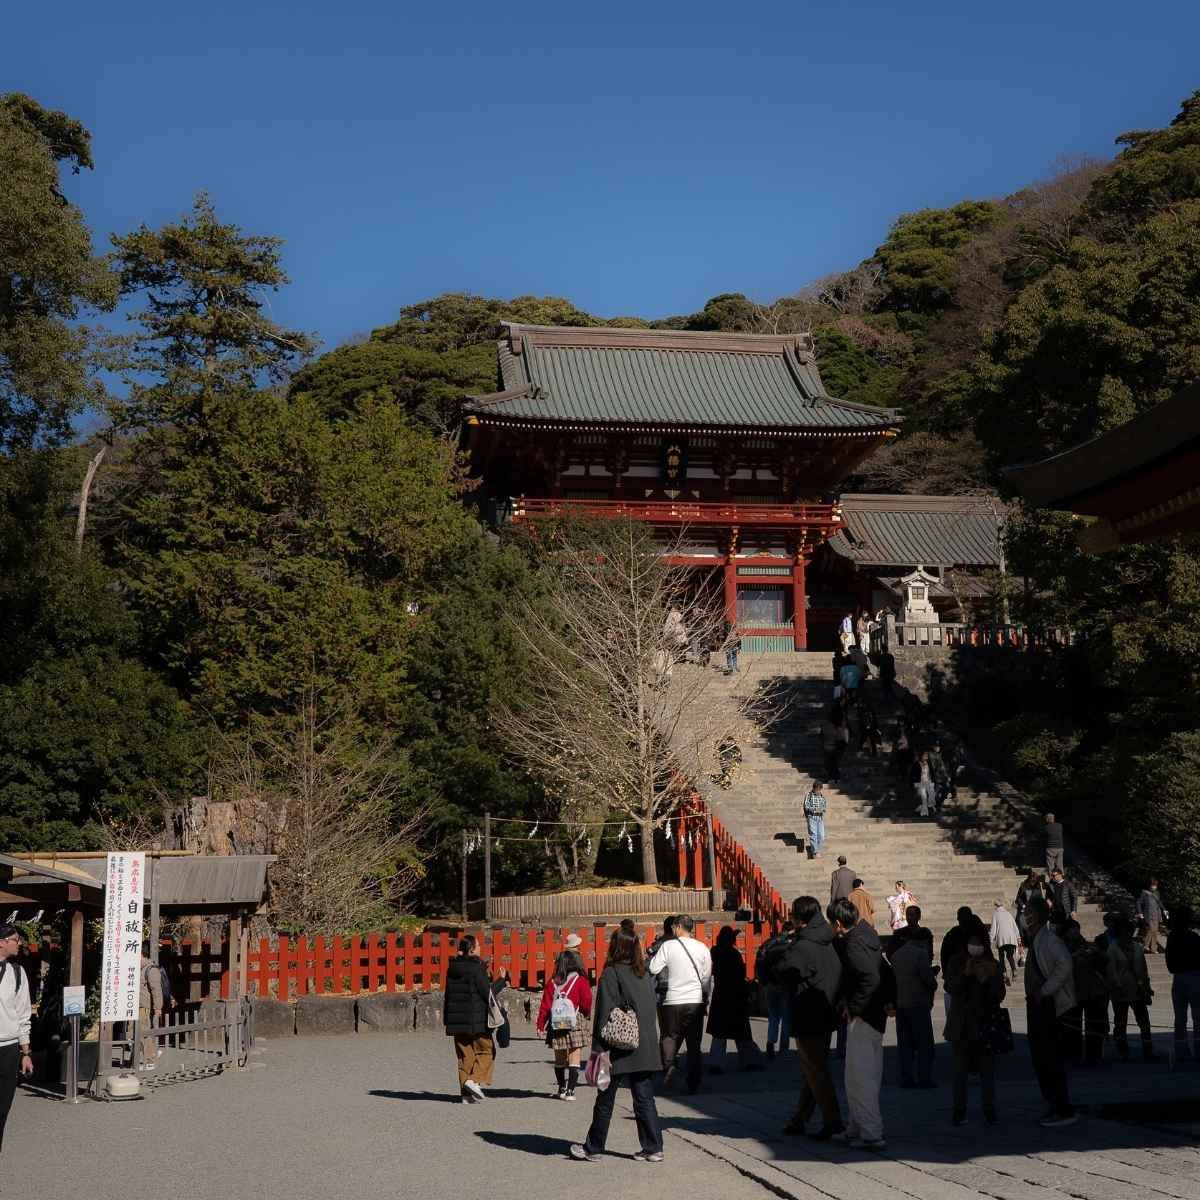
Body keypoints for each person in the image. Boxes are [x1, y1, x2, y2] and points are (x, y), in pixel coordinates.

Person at [571, 927, 664, 1163]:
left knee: (605, 1099)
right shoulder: (643, 973)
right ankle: (653, 1147)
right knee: (644, 1098)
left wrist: (598, 1050)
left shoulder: (611, 973)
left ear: (615, 946)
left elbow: (604, 1014)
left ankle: (593, 1147)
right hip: (643, 1044)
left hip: (618, 1046)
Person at [771, 897, 844, 1138]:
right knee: (812, 1070)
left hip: (808, 1012)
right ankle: (800, 1119)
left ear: (799, 918)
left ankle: (833, 1122)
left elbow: (785, 973)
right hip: (826, 1009)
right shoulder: (827, 938)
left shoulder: (803, 946)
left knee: (816, 1071)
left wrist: (779, 955)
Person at [829, 897, 889, 1151]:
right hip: (874, 1014)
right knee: (857, 1075)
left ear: (839, 924)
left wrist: (853, 1007)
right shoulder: (868, 935)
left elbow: (871, 977)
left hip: (864, 1015)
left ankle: (871, 1132)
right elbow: (885, 971)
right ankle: (856, 1124)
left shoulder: (854, 946)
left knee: (861, 1077)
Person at [1023, 897, 1077, 1127]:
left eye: (1028, 912)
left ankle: (1062, 1108)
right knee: (1040, 1058)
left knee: (1050, 1058)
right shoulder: (1036, 939)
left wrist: (1045, 990)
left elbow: (1065, 964)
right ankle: (1052, 1103)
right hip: (1037, 1005)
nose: (1025, 916)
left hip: (1048, 1005)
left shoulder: (1049, 940)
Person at [944, 924, 1005, 1126]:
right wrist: (966, 974)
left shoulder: (992, 964)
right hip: (962, 1023)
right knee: (959, 1070)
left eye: (979, 943)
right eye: (972, 943)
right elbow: (951, 987)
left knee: (987, 1069)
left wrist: (986, 979)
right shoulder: (956, 962)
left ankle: (989, 1108)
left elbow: (999, 994)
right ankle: (959, 1109)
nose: (975, 947)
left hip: (985, 1021)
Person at [648, 913, 711, 1093]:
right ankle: (694, 1081)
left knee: (669, 1036)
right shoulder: (702, 947)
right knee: (694, 1042)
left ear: (677, 927)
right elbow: (706, 977)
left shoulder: (668, 946)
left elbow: (653, 968)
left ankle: (669, 1066)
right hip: (695, 1000)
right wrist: (704, 995)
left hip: (673, 999)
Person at [443, 935, 496, 1103]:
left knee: (465, 1056)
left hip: (456, 1019)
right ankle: (473, 1081)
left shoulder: (452, 968)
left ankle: (465, 1094)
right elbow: (487, 993)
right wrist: (501, 982)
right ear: (472, 949)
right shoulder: (476, 968)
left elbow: (448, 995)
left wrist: (447, 1019)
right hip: (476, 1019)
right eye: (478, 945)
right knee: (487, 1051)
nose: (480, 948)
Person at [536, 946, 594, 1099]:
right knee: (575, 1055)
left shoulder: (552, 982)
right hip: (575, 1020)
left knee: (560, 1057)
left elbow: (545, 1005)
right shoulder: (581, 980)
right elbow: (587, 1000)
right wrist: (587, 1013)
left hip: (557, 1022)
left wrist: (541, 1025)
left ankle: (561, 1088)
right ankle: (570, 1091)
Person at [891, 904, 937, 1089]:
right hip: (918, 1001)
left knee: (905, 1043)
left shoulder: (898, 953)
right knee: (924, 1042)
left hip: (902, 1001)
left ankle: (907, 1076)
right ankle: (923, 1077)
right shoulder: (918, 953)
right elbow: (927, 979)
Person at [707, 926, 762, 1073]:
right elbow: (740, 977)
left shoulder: (715, 952)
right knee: (742, 1033)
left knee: (719, 1035)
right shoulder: (734, 955)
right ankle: (749, 1061)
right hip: (736, 996)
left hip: (720, 996)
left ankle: (716, 1063)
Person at [1105, 914, 1157, 1062]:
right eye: (1125, 931)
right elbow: (1111, 971)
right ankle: (1123, 1050)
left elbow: (1143, 969)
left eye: (1130, 930)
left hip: (1137, 990)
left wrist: (1147, 987)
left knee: (1144, 1022)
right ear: (1120, 932)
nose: (1128, 933)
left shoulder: (1137, 947)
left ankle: (1148, 1049)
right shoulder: (1113, 949)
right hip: (1120, 991)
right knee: (1120, 1022)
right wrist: (1116, 985)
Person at [0, 925, 32, 1152]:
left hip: (9, 1049)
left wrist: (26, 1052)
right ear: (2, 942)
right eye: (15, 939)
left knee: (2, 1109)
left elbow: (23, 1014)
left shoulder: (18, 973)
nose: (18, 944)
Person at [1062, 920, 1109, 1068]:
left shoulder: (1088, 947)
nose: (1075, 933)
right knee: (1073, 1027)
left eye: (1077, 929)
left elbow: (1104, 960)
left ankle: (1093, 1056)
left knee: (1093, 1026)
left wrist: (1093, 953)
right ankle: (1074, 1056)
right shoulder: (1062, 948)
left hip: (1091, 992)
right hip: (1073, 992)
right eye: (1072, 930)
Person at [1166, 906, 1200, 1062]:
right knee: (1198, 1016)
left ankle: (1181, 1051)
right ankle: (1198, 1049)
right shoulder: (1194, 937)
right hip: (1194, 976)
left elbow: (1169, 961)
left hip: (1178, 977)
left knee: (1180, 1018)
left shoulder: (1172, 937)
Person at [756, 921, 794, 1059]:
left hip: (770, 983)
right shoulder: (792, 945)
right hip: (785, 984)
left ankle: (770, 1042)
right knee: (786, 1016)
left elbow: (760, 959)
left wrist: (762, 980)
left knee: (773, 1015)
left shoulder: (769, 943)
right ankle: (784, 1047)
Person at [940, 907, 976, 1023]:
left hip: (960, 980)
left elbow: (944, 955)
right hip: (965, 980)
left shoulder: (952, 934)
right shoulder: (975, 933)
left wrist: (946, 975)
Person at [139, 943, 165, 1070]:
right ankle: (146, 1057)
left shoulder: (151, 969)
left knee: (144, 1033)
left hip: (144, 1006)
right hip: (138, 1006)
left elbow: (156, 990)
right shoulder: (141, 969)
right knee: (137, 1033)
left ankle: (150, 1059)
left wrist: (158, 1007)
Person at [647, 917, 676, 1010]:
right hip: (681, 987)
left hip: (663, 985)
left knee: (665, 1022)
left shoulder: (659, 944)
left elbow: (651, 967)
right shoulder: (682, 943)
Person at [990, 900, 1020, 982]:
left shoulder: (995, 914)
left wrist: (990, 940)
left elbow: (993, 929)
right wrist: (1018, 938)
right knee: (1010, 956)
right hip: (1011, 938)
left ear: (996, 906)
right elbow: (1015, 927)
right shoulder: (1008, 914)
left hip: (1002, 939)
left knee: (1001, 957)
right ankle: (1014, 970)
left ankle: (1004, 974)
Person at [1136, 878, 1167, 954]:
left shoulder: (1157, 893)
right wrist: (1140, 913)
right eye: (1153, 885)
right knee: (1151, 929)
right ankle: (1146, 946)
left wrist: (1164, 909)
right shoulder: (1144, 893)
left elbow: (1159, 902)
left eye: (1155, 885)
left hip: (1156, 914)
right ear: (1149, 885)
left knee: (1155, 931)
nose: (1154, 887)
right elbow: (1138, 902)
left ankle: (1153, 949)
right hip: (1148, 915)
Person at [821, 706, 849, 782]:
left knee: (830, 763)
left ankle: (832, 777)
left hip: (827, 746)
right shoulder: (838, 728)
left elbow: (822, 736)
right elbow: (841, 739)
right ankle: (835, 777)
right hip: (835, 747)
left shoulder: (825, 726)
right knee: (834, 763)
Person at [803, 779, 827, 860]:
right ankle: (815, 852)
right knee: (813, 834)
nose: (818, 790)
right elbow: (806, 806)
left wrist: (822, 809)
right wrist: (813, 809)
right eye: (817, 788)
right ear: (814, 788)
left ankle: (818, 850)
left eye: (820, 789)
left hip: (820, 817)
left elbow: (824, 805)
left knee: (822, 835)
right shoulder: (809, 795)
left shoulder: (821, 796)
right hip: (812, 817)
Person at [911, 750, 936, 817]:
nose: (926, 756)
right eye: (925, 755)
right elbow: (912, 775)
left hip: (928, 782)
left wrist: (933, 782)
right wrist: (915, 784)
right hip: (920, 783)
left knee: (932, 795)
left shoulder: (929, 763)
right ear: (921, 756)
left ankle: (928, 807)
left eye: (927, 755)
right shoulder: (916, 764)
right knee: (924, 797)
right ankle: (924, 813)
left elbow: (932, 773)